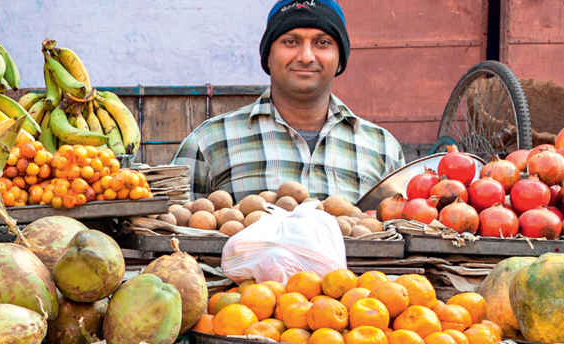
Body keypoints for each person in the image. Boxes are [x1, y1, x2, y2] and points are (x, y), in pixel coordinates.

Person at [173, 0, 405, 203]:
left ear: (340, 59)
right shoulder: (208, 142)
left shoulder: (382, 149)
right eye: (290, 42)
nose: (306, 57)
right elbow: (168, 235)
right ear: (268, 57)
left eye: (322, 43)